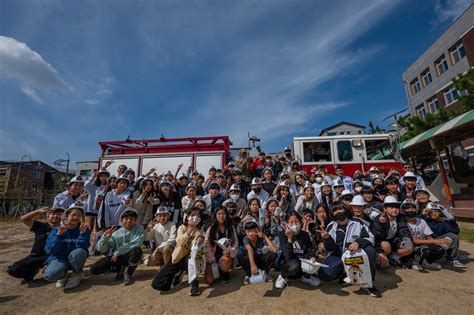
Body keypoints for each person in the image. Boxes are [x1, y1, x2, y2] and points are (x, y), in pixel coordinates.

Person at [318, 203, 381, 298]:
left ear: (346, 210)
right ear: (332, 214)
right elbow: (330, 248)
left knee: (370, 251)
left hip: (356, 253)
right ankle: (345, 274)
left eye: (341, 209)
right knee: (324, 275)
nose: (339, 212)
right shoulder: (331, 226)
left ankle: (368, 284)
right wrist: (327, 239)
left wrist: (358, 242)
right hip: (339, 253)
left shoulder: (358, 222)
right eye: (335, 211)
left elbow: (370, 238)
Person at [151, 207, 205, 296]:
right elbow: (180, 242)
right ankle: (177, 273)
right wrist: (190, 229)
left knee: (193, 260)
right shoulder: (181, 228)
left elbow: (198, 242)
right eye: (192, 215)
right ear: (187, 217)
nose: (194, 217)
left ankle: (194, 284)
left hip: (191, 259)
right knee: (157, 284)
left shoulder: (200, 229)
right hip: (177, 258)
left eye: (197, 215)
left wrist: (200, 238)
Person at [7, 206, 64, 283]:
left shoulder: (64, 229)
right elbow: (23, 219)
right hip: (36, 256)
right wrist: (38, 211)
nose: (56, 216)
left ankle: (58, 271)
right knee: (13, 270)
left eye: (59, 214)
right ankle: (31, 273)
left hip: (53, 257)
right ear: (48, 216)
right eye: (53, 214)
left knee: (52, 273)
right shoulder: (40, 226)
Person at [91, 208, 144, 285]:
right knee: (94, 269)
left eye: (132, 219)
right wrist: (105, 238)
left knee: (136, 250)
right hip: (118, 258)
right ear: (121, 220)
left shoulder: (139, 229)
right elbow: (101, 249)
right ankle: (119, 269)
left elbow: (136, 243)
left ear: (135, 220)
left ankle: (128, 274)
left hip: (130, 255)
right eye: (126, 218)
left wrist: (117, 252)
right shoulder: (116, 233)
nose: (129, 221)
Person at [43, 203, 91, 289]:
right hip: (60, 259)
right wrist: (59, 235)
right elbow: (49, 250)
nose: (76, 218)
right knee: (50, 275)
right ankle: (63, 275)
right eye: (73, 215)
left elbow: (82, 248)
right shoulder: (56, 229)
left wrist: (82, 234)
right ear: (67, 216)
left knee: (79, 253)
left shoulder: (84, 229)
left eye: (79, 215)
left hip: (74, 258)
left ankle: (77, 274)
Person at [275, 211, 320, 289]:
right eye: (291, 222)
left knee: (317, 279)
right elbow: (287, 255)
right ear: (286, 224)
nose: (294, 225)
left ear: (300, 222)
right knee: (294, 264)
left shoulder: (305, 235)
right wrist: (289, 238)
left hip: (302, 264)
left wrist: (312, 257)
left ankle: (306, 277)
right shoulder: (282, 235)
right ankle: (282, 277)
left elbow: (309, 250)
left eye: (296, 222)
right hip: (289, 264)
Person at [403, 202, 448, 271]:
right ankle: (415, 262)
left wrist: (441, 243)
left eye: (413, 208)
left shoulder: (421, 221)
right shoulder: (403, 223)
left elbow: (429, 237)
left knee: (441, 249)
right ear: (403, 211)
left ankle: (426, 262)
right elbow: (415, 241)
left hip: (422, 244)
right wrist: (435, 241)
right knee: (424, 249)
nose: (411, 210)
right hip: (410, 247)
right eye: (407, 209)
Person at [372, 197, 413, 269]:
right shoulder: (379, 218)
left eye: (396, 207)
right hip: (380, 242)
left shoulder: (399, 217)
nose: (395, 210)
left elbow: (403, 229)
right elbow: (378, 235)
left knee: (410, 247)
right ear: (385, 209)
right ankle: (381, 257)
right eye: (391, 207)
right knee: (384, 263)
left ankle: (393, 258)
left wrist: (406, 238)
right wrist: (381, 223)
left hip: (394, 240)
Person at [421, 202, 465, 268]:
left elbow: (455, 231)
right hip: (427, 242)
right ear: (428, 212)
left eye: (436, 211)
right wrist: (423, 214)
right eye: (431, 211)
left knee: (453, 236)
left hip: (438, 241)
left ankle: (451, 259)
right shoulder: (425, 220)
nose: (434, 213)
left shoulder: (443, 221)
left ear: (440, 213)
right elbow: (417, 219)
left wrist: (452, 220)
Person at [204, 206, 239, 284]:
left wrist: (230, 251)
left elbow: (235, 243)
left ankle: (225, 271)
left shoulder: (231, 228)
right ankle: (218, 270)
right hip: (212, 256)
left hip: (225, 256)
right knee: (209, 281)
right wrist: (211, 259)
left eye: (223, 214)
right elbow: (206, 246)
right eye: (219, 214)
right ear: (215, 215)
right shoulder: (211, 229)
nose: (221, 216)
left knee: (225, 261)